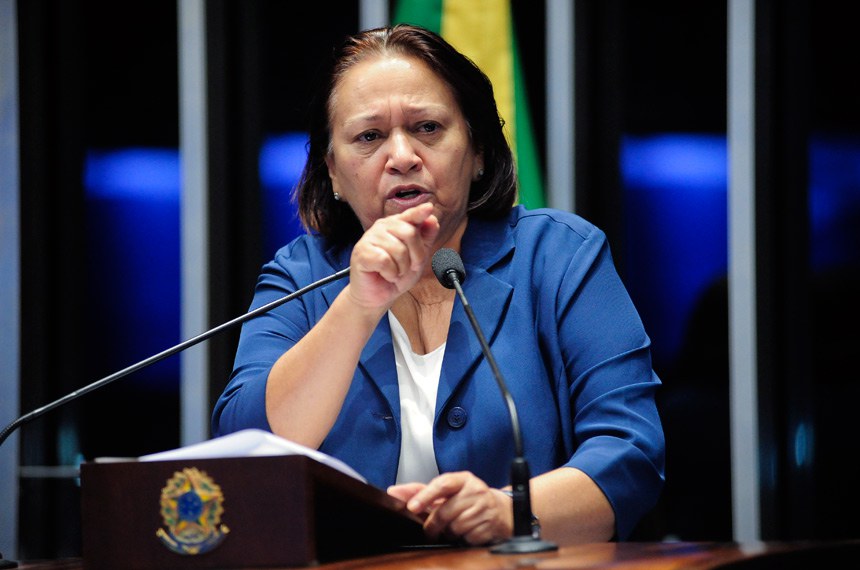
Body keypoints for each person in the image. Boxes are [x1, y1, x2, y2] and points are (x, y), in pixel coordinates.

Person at [212, 23, 664, 546]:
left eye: (427, 128)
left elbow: (630, 452)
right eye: (369, 136)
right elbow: (247, 450)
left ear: (476, 151)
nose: (402, 155)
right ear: (332, 172)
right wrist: (357, 305)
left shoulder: (560, 257)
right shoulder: (300, 276)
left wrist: (510, 511)